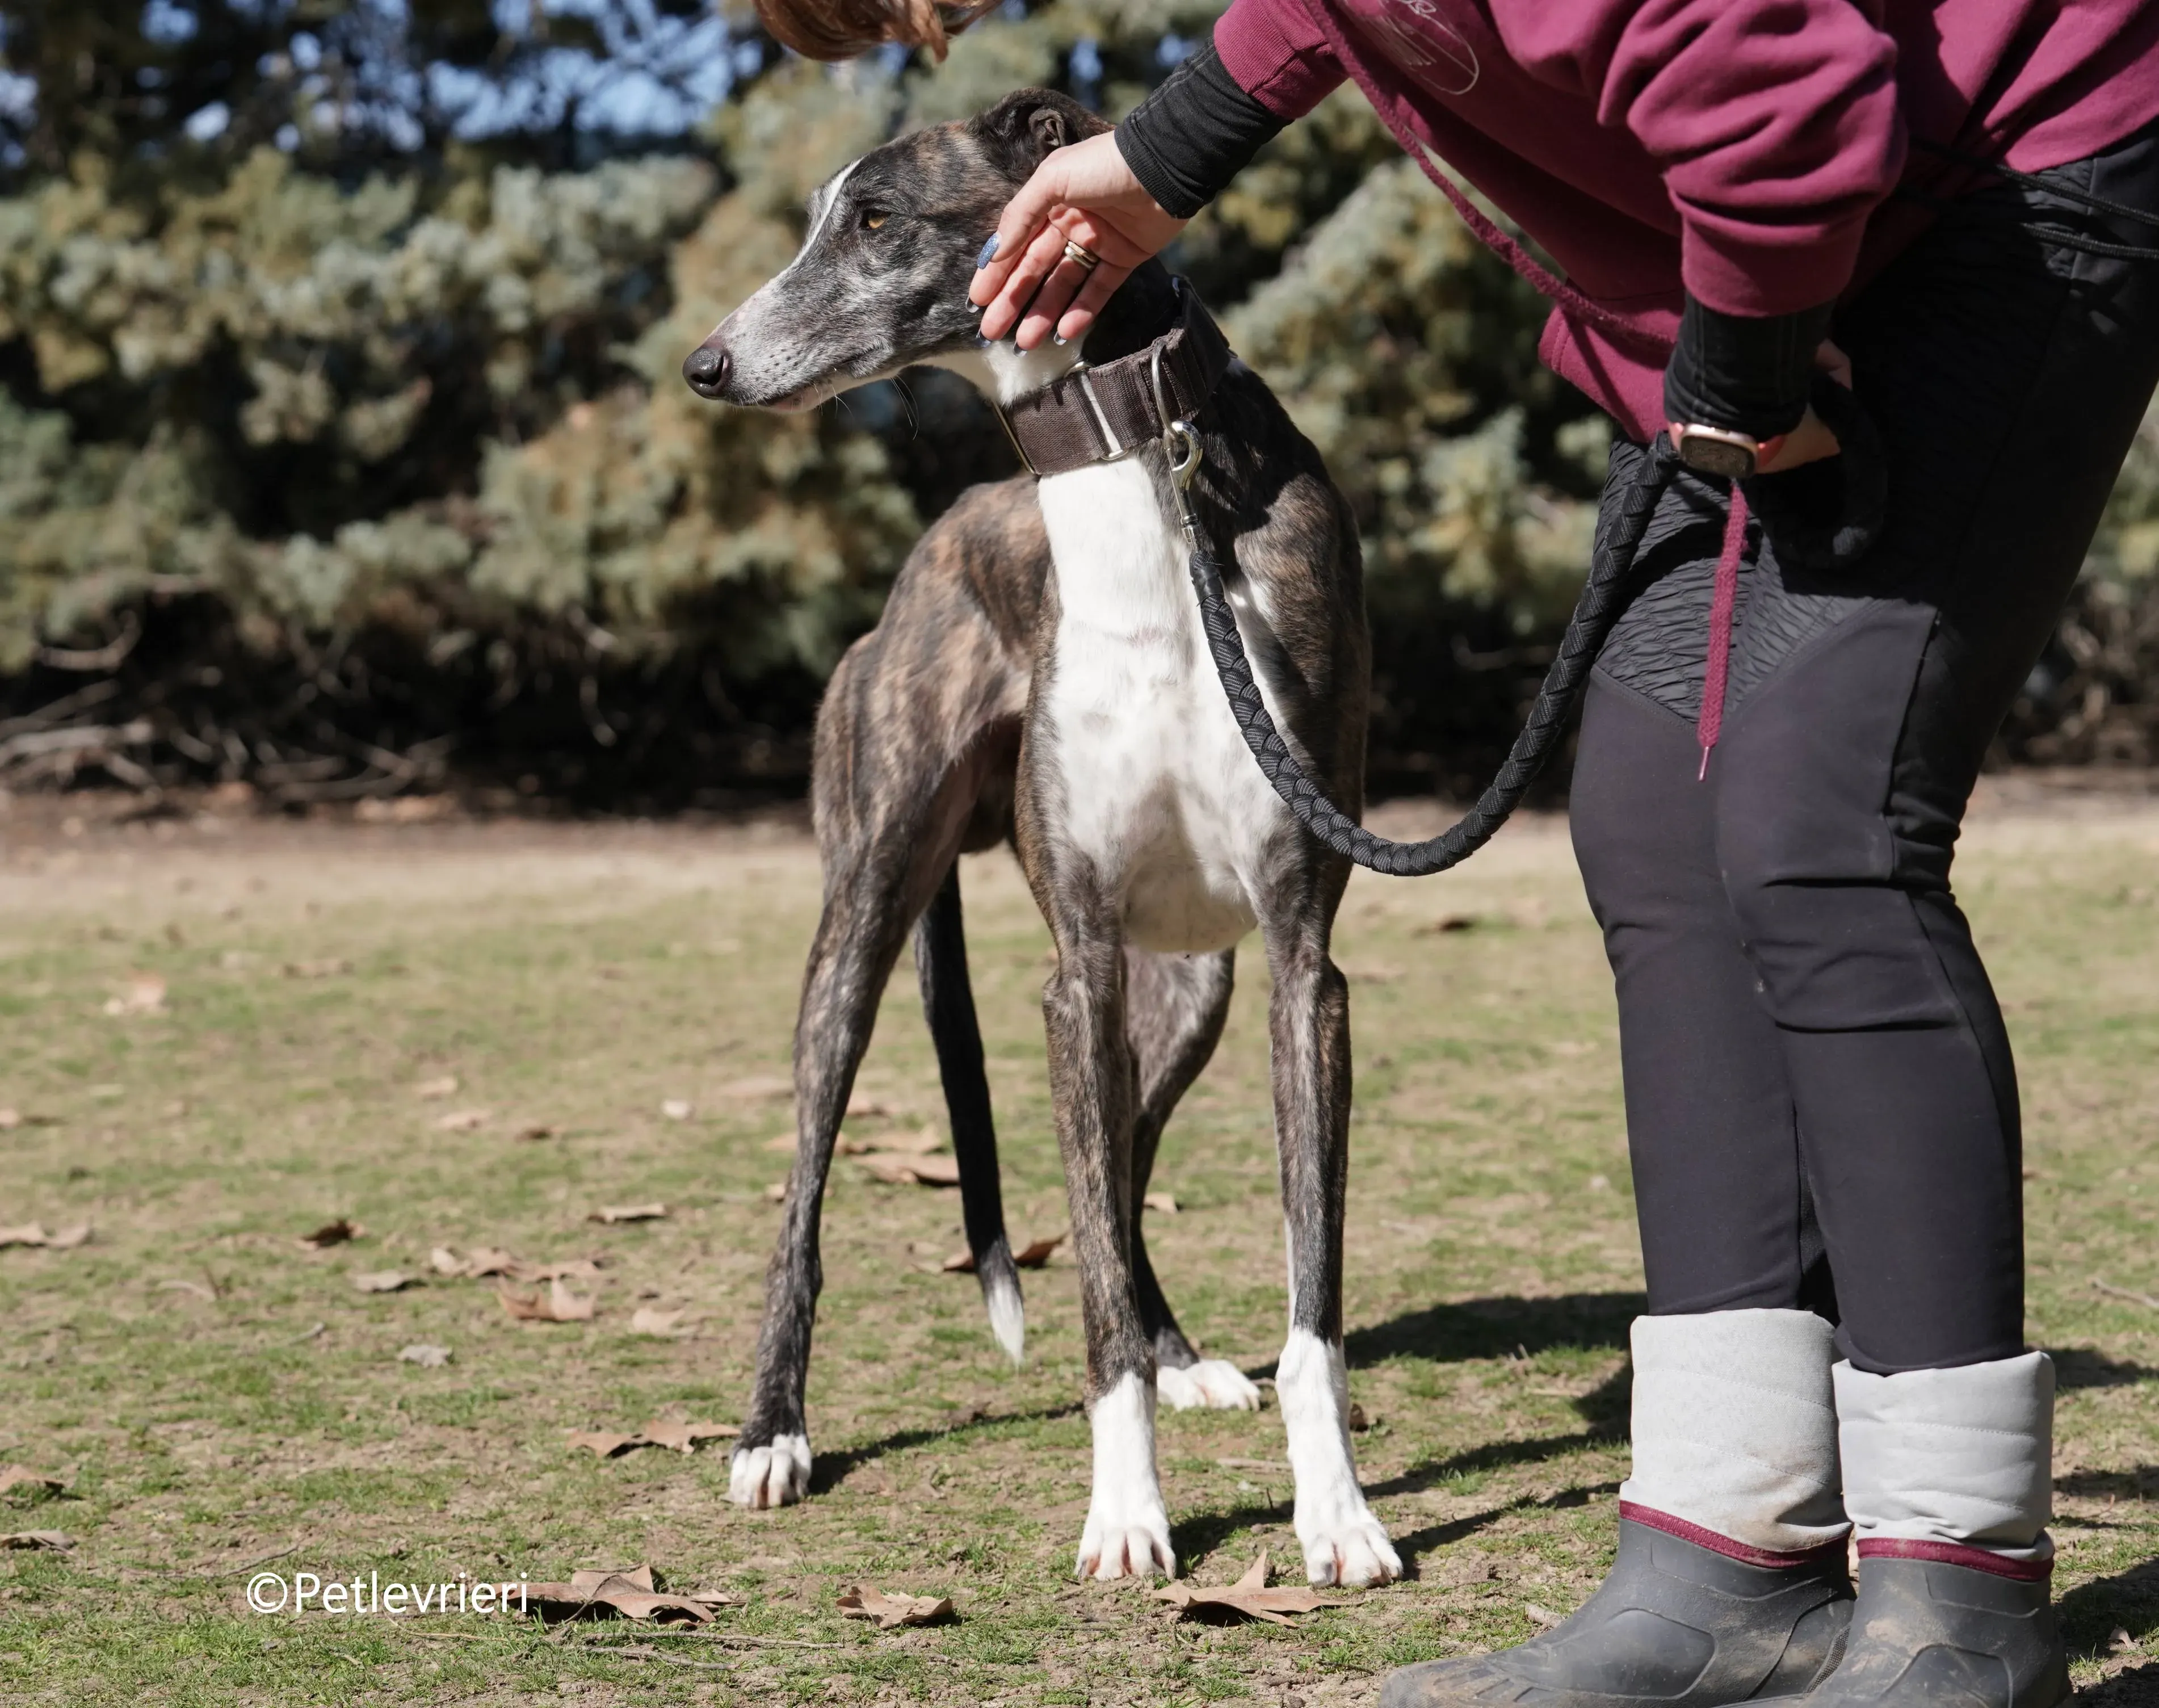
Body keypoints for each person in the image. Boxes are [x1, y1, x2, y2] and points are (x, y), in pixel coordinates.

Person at [755, 4, 2159, 1705]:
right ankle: (1729, 1552)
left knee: (1815, 828)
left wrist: (1739, 376)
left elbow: (1769, 82)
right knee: (1653, 826)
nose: (939, 25)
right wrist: (1163, 155)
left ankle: (1957, 1601)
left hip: (2001, 192)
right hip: (1772, 266)